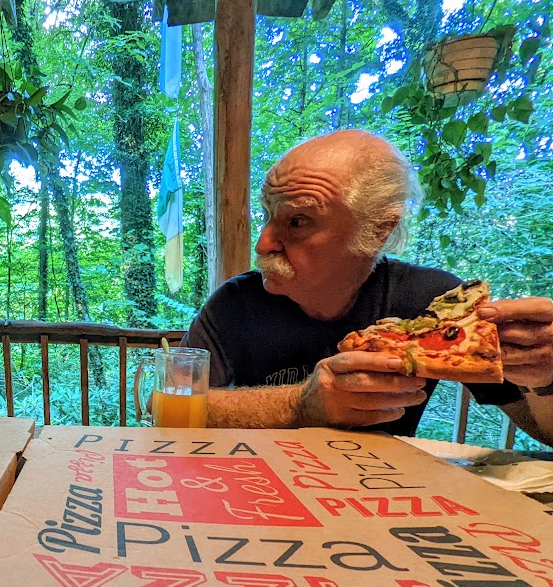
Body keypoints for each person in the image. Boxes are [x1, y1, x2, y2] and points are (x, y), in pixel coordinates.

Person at [182, 129, 553, 445]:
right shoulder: (236, 303)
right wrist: (300, 405)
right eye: (266, 215)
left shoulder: (437, 306)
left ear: (378, 230)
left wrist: (546, 379)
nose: (263, 244)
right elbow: (168, 404)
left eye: (297, 221)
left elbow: (540, 427)